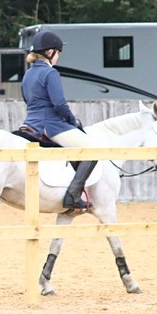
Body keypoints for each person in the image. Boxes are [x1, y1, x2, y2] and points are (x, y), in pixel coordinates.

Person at [21, 29, 99, 211]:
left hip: (30, 123)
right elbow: (59, 104)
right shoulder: (50, 73)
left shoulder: (28, 74)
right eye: (58, 53)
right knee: (93, 150)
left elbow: (27, 100)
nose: (58, 57)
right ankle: (72, 195)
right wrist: (72, 120)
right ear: (50, 52)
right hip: (50, 125)